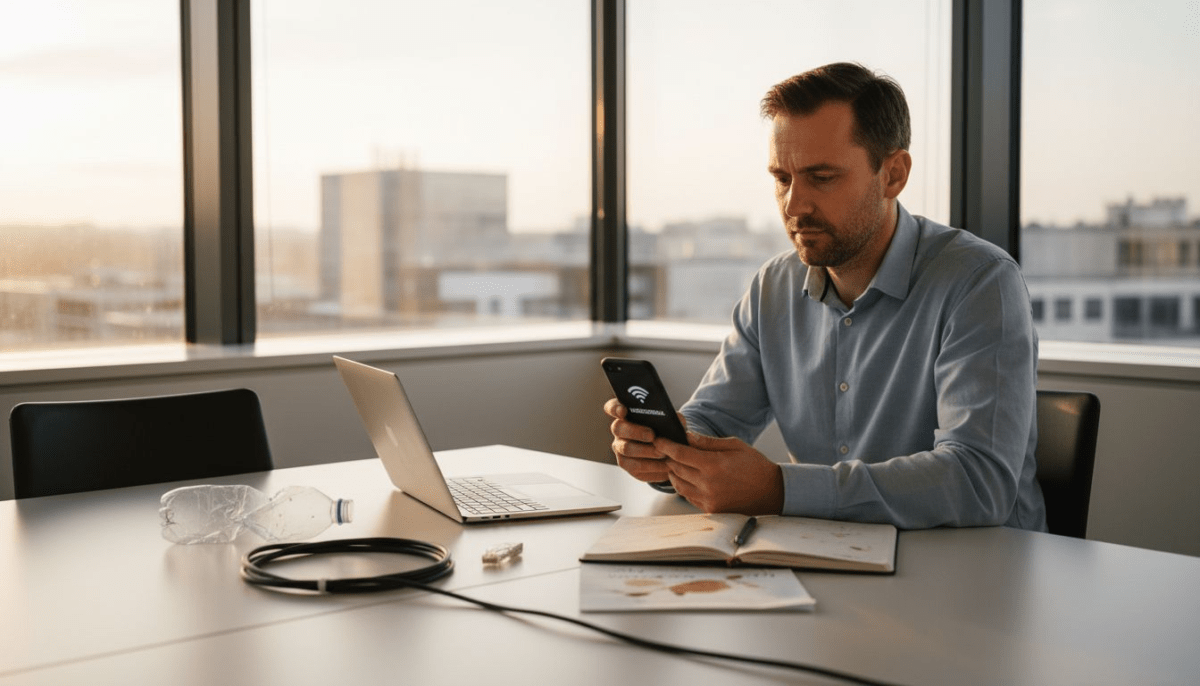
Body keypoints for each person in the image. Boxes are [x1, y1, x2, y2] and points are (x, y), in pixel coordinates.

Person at [605, 62, 1045, 530]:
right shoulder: (771, 289)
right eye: (782, 178)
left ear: (893, 174)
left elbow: (979, 482)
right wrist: (667, 450)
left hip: (979, 578)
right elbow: (713, 419)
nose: (794, 205)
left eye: (822, 177)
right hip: (830, 562)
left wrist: (781, 489)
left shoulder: (980, 282)